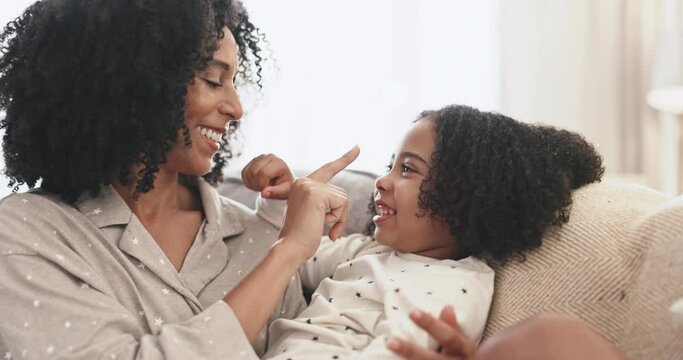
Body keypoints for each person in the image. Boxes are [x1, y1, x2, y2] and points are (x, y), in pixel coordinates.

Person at [0, 0, 359, 358]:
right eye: (213, 80)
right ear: (137, 80)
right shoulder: (26, 231)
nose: (236, 108)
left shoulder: (260, 234)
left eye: (234, 81)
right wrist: (286, 253)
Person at [240, 104, 606, 359]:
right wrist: (280, 199)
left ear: (462, 197)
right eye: (390, 166)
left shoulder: (455, 284)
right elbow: (292, 256)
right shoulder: (368, 251)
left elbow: (396, 351)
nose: (382, 180)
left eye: (408, 170)